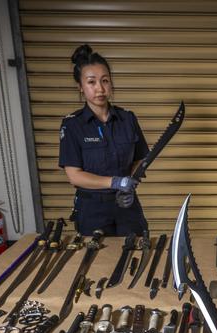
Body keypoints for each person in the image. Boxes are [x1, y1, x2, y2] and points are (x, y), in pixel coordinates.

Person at [59, 44, 149, 236]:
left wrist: (129, 185)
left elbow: (140, 159)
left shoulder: (128, 119)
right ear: (80, 87)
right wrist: (115, 182)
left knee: (137, 254)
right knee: (96, 261)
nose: (100, 88)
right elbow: (74, 175)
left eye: (105, 80)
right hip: (92, 210)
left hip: (127, 205)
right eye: (91, 82)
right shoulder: (73, 125)